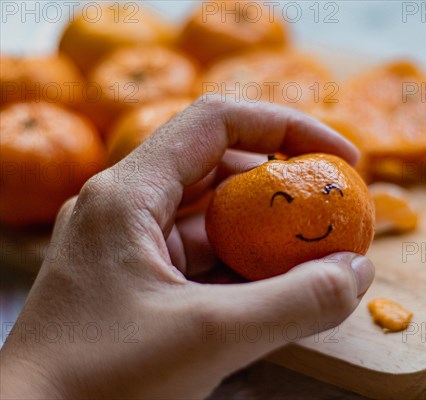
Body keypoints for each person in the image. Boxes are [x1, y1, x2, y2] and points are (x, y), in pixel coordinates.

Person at [0, 97, 375, 398]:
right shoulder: (228, 204)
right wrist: (56, 379)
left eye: (330, 192)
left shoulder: (236, 204)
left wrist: (44, 375)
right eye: (281, 205)